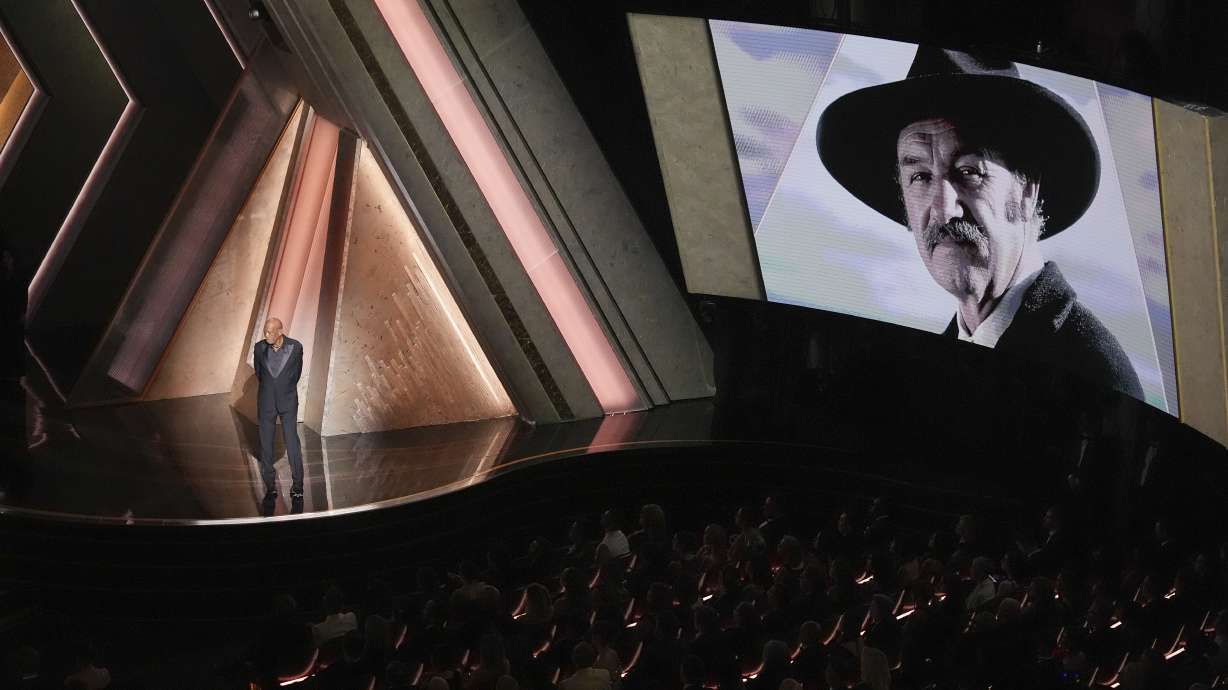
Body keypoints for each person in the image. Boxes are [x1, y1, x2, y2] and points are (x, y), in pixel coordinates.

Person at [816, 47, 1142, 399]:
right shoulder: (928, 372)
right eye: (921, 176)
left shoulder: (1094, 375)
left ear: (1027, 188)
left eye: (968, 171)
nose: (943, 211)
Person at [254, 316, 305, 500]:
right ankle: (270, 487)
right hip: (266, 403)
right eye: (265, 331)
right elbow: (259, 374)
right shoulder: (259, 348)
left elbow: (296, 373)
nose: (266, 334)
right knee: (266, 445)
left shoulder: (296, 347)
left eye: (270, 331)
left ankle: (298, 486)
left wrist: (285, 389)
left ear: (280, 331)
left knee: (292, 443)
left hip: (288, 402)